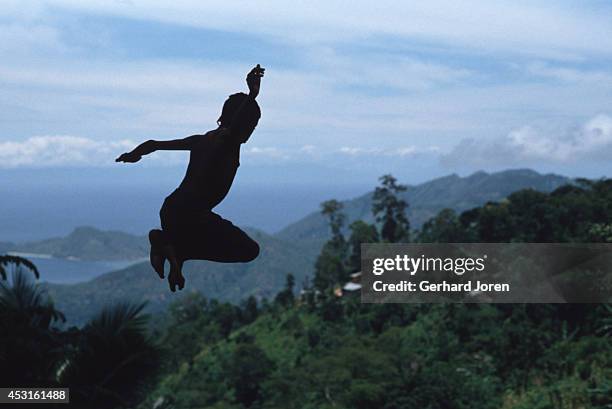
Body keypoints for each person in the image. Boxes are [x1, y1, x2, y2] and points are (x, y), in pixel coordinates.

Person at [116, 65, 265, 292]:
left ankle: (173, 251)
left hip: (171, 210)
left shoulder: (201, 140)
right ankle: (172, 247)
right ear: (241, 122)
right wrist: (252, 95)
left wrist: (135, 154)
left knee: (187, 245)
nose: (251, 130)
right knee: (249, 251)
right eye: (252, 125)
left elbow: (154, 144)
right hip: (192, 216)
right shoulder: (227, 141)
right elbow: (235, 127)